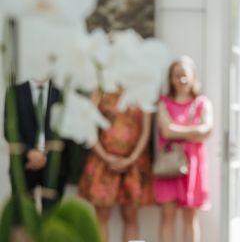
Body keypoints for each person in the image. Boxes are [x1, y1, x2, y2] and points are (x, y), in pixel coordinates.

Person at [78, 89, 154, 242]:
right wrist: (105, 156)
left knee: (131, 214)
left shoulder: (143, 91)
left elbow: (146, 131)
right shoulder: (99, 91)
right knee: (102, 215)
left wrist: (131, 159)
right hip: (102, 162)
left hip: (134, 164)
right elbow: (88, 127)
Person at [154, 56, 213, 242]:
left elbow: (206, 130)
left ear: (193, 76)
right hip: (169, 164)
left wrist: (176, 130)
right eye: (177, 75)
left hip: (193, 165)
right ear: (171, 79)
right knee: (167, 217)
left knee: (191, 217)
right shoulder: (164, 102)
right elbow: (167, 130)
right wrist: (193, 131)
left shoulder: (203, 103)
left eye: (185, 75)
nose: (181, 80)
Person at [3, 79, 69, 212]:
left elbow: (67, 130)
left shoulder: (61, 93)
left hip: (54, 165)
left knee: (52, 217)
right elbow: (9, 129)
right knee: (23, 216)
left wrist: (44, 154)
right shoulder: (15, 92)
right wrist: (29, 152)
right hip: (23, 164)